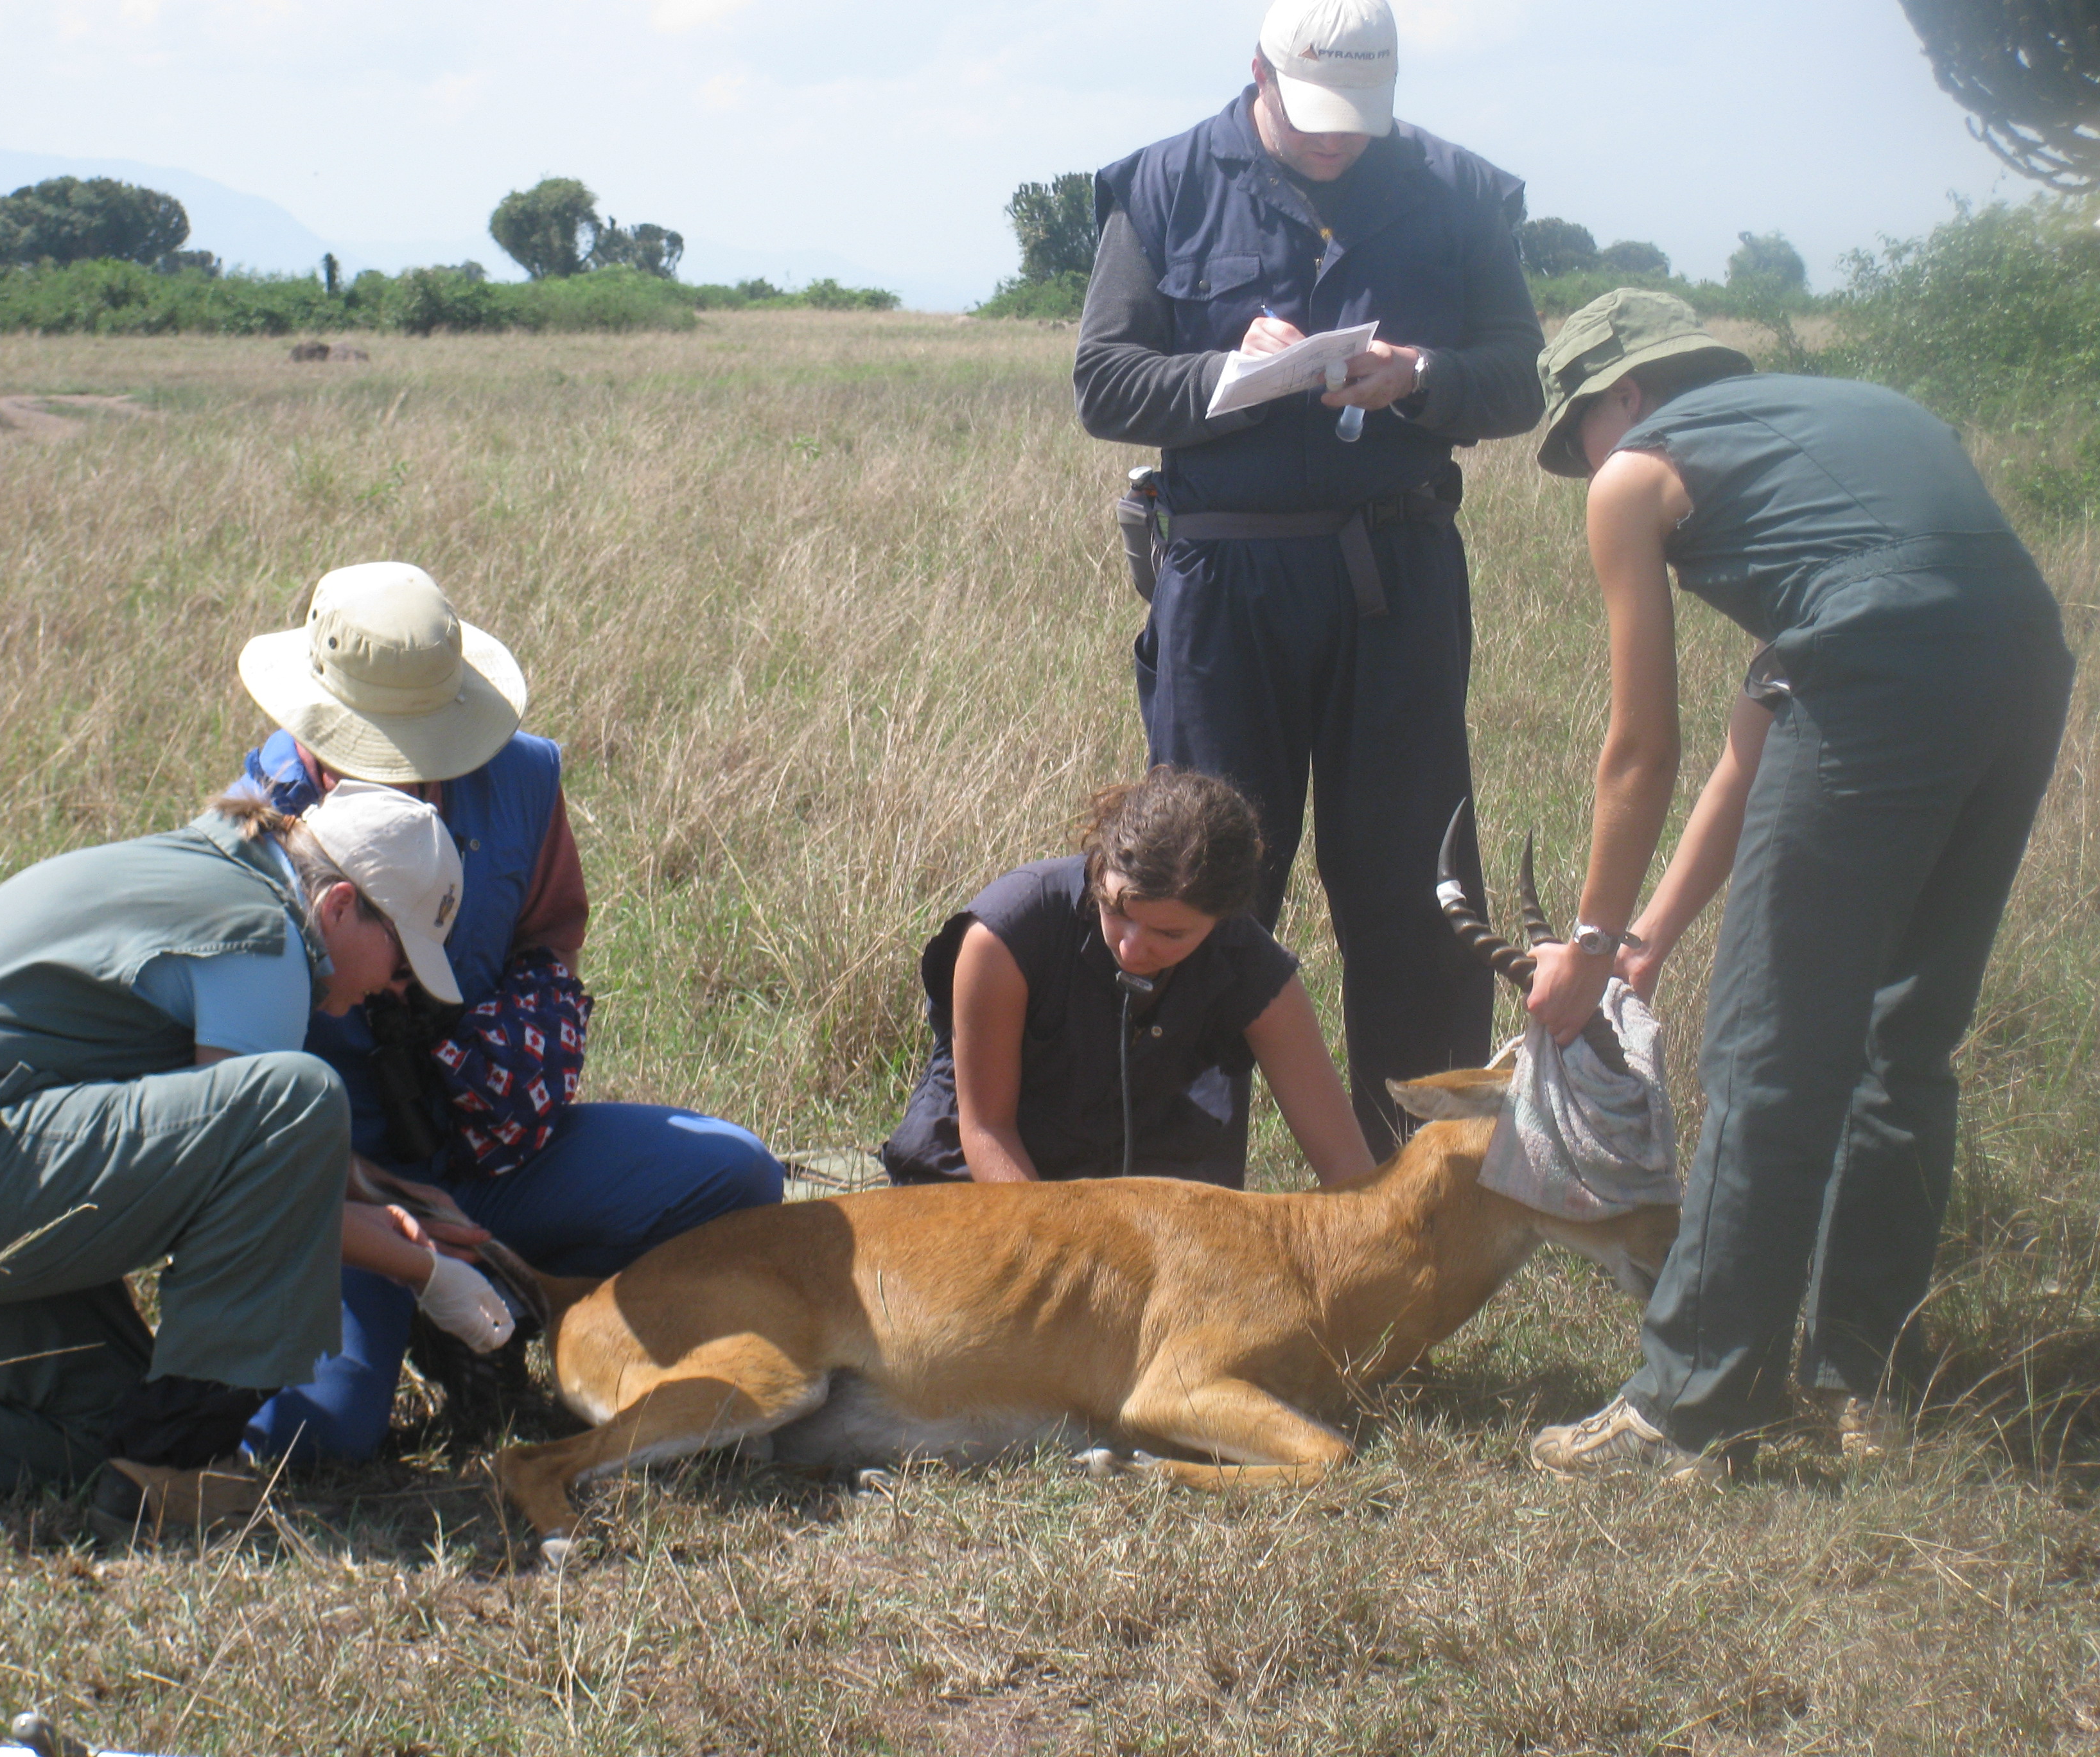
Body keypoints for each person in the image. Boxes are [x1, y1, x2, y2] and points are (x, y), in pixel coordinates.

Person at [1519, 290, 2074, 1476]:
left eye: (1575, 436)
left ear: (1622, 395)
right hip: (2023, 671)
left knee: (1766, 1056)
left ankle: (1684, 1410)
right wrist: (1645, 937)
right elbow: (1755, 740)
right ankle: (1860, 1381)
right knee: (1902, 1038)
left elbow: (1641, 751)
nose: (1584, 467)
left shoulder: (1637, 473)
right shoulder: (1851, 423)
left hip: (1880, 675)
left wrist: (1580, 938)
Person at [1074, 0, 1547, 1164]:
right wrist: (1228, 378)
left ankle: (1417, 1195)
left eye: (1359, 120)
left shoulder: (1461, 190)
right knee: (1203, 875)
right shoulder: (1163, 184)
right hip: (1223, 581)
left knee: (1415, 888)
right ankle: (1183, 1190)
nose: (1338, 141)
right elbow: (1102, 381)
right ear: (1257, 73)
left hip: (1395, 569)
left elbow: (1515, 383)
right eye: (1313, 116)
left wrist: (1419, 376)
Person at [0, 781, 492, 1539]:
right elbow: (263, 1168)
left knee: (101, 1434)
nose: (397, 988)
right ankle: (177, 1467)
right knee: (302, 1098)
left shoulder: (207, 865)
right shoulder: (264, 939)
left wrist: (376, 1193)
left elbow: (234, 1155)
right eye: (402, 961)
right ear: (341, 906)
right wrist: (426, 1274)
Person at [231, 562, 784, 1464]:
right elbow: (239, 1113)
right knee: (314, 1442)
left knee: (739, 1177)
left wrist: (511, 1065)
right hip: (342, 1184)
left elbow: (551, 933)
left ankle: (575, 1323)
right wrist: (393, 1219)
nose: (404, 770)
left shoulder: (520, 778)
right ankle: (418, 1312)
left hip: (488, 1153)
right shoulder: (256, 830)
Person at [882, 768, 1374, 1189]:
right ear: (1101, 866)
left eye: (1170, 933)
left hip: (1134, 1202)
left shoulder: (1253, 968)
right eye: (1119, 910)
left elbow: (1346, 1166)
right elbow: (987, 1130)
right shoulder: (1006, 935)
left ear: (1222, 921)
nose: (1132, 947)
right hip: (984, 1183)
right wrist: (1065, 1254)